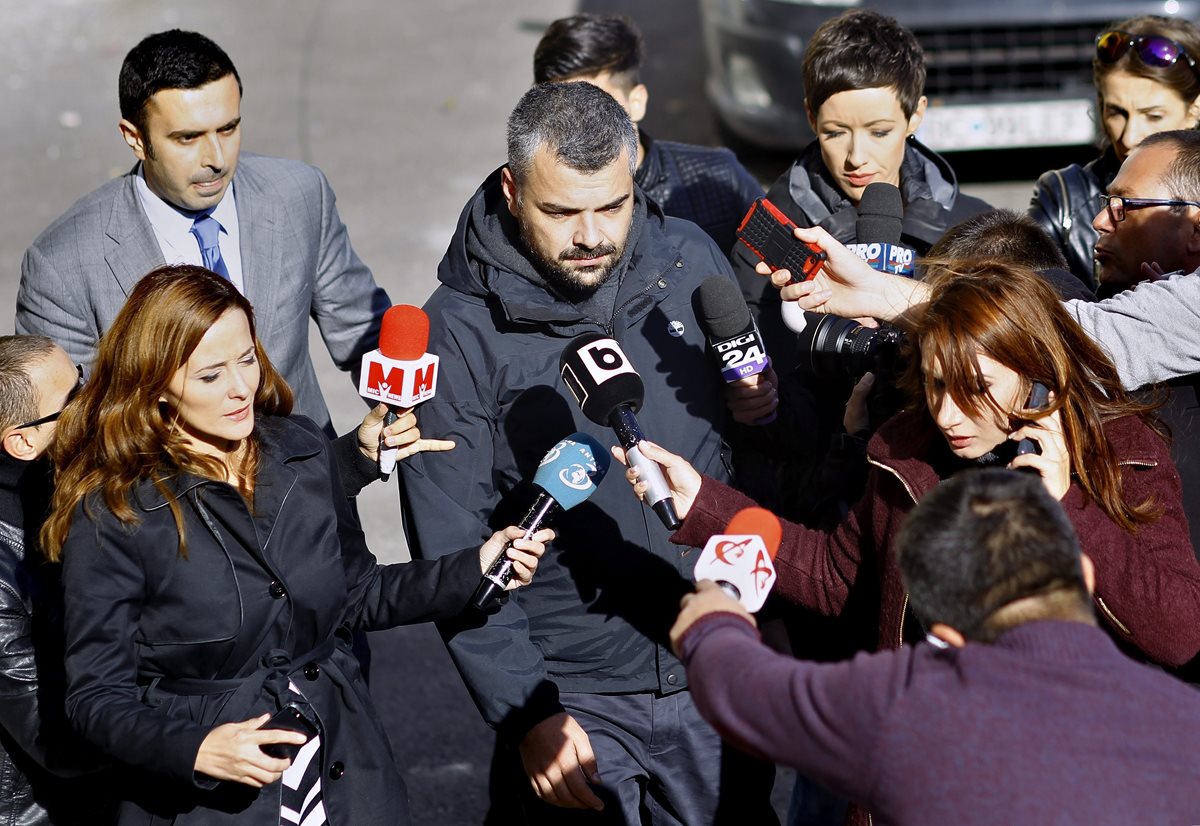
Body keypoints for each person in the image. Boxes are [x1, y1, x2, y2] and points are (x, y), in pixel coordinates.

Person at [41, 266, 551, 826]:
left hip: (346, 770)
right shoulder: (113, 515)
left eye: (246, 358)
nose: (242, 388)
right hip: (210, 803)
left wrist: (473, 569)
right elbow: (95, 698)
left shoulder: (301, 447)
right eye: (211, 374)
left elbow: (357, 595)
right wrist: (195, 749)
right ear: (157, 382)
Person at [399, 82, 778, 825]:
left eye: (612, 205)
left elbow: (745, 454)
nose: (592, 234)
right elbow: (451, 545)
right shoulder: (456, 334)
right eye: (562, 211)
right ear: (512, 190)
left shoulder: (690, 258)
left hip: (718, 662)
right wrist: (526, 713)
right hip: (575, 698)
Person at [625, 259, 1200, 673]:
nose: (948, 413)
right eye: (934, 385)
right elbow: (834, 576)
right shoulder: (907, 449)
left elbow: (1178, 633)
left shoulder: (1118, 450)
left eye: (977, 388)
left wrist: (1069, 502)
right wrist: (704, 502)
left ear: (1037, 374)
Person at [670, 469, 1200, 825]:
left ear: (943, 636)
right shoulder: (1188, 721)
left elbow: (744, 693)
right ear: (1084, 576)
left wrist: (715, 616)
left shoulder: (910, 705)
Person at [16, 29, 390, 435]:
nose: (215, 159)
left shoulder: (298, 195)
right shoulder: (63, 264)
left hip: (310, 484)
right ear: (135, 139)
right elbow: (67, 429)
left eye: (227, 129)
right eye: (188, 138)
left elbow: (363, 330)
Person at [731, 8, 990, 361]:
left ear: (916, 115)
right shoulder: (773, 238)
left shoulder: (976, 226)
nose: (856, 156)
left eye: (879, 132)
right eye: (835, 133)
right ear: (811, 117)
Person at [533, 14, 763, 255]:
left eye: (598, 105)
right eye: (559, 108)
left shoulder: (718, 179)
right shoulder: (525, 199)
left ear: (637, 101)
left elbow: (783, 269)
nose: (578, 122)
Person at [0, 336, 112, 825]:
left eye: (83, 378)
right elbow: (58, 742)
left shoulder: (75, 480)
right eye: (74, 400)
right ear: (23, 441)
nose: (95, 399)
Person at [1029, 15, 1200, 290]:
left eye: (1153, 116)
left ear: (1195, 109)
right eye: (1116, 112)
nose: (1129, 136)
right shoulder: (1066, 199)